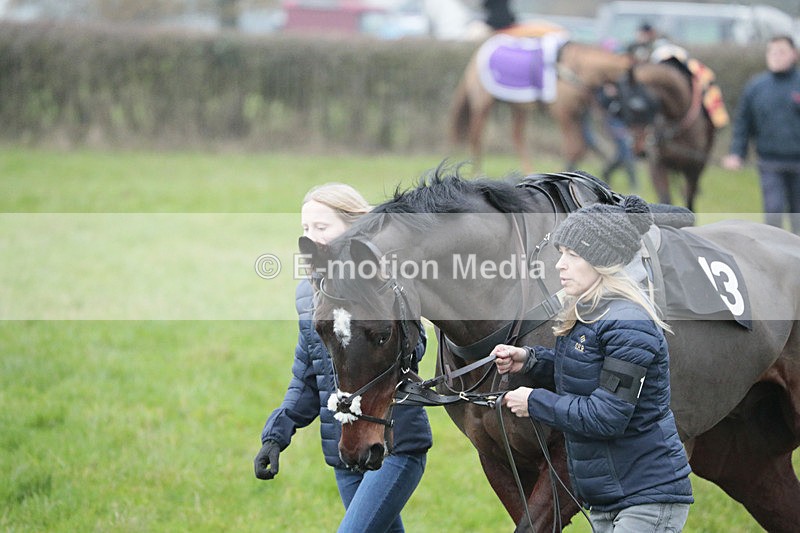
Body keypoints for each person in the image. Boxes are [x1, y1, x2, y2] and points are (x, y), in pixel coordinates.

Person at [491, 196, 693, 532]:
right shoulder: (590, 314)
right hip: (607, 498)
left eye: (573, 255)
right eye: (561, 255)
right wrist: (529, 361)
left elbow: (607, 416)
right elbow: (583, 369)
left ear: (603, 261)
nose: (560, 265)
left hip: (645, 498)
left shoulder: (630, 324)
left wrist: (534, 402)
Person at [254, 183, 433, 533]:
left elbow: (416, 347)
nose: (312, 237)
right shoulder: (309, 294)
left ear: (356, 228)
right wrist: (275, 437)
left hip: (393, 445)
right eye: (306, 229)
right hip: (345, 451)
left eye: (322, 227)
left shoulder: (386, 285)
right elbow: (308, 374)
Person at [722, 35, 800, 235]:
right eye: (772, 52)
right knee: (773, 212)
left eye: (781, 52)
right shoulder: (756, 87)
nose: (776, 56)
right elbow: (743, 124)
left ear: (794, 54)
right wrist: (736, 153)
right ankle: (775, 257)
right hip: (769, 162)